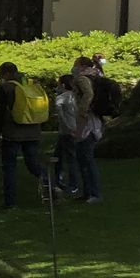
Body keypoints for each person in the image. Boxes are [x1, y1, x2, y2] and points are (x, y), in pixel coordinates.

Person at [0, 61, 53, 209]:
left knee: (9, 167)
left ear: (6, 73)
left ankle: (10, 202)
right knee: (33, 164)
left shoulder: (7, 87)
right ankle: (52, 186)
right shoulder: (32, 84)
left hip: (12, 133)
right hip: (33, 131)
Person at [70, 60, 105, 204]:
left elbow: (88, 94)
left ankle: (94, 193)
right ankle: (88, 192)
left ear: (83, 66)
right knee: (83, 159)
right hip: (93, 122)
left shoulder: (82, 78)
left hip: (88, 123)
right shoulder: (96, 76)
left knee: (87, 160)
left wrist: (82, 111)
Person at [51, 72, 82, 197]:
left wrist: (69, 129)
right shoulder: (77, 97)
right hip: (75, 129)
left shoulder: (61, 98)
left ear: (62, 85)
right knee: (58, 155)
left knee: (70, 158)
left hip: (67, 131)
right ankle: (58, 180)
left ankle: (72, 185)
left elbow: (62, 117)